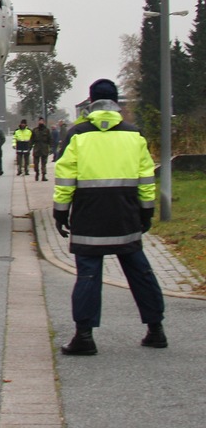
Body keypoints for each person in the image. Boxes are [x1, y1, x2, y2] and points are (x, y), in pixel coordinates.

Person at [53, 78, 165, 355]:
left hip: (89, 216)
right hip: (126, 215)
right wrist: (146, 212)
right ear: (116, 103)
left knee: (88, 274)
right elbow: (146, 177)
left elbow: (65, 178)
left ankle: (85, 337)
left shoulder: (77, 135)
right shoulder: (134, 134)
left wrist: (60, 213)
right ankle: (156, 330)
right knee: (140, 272)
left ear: (91, 103)